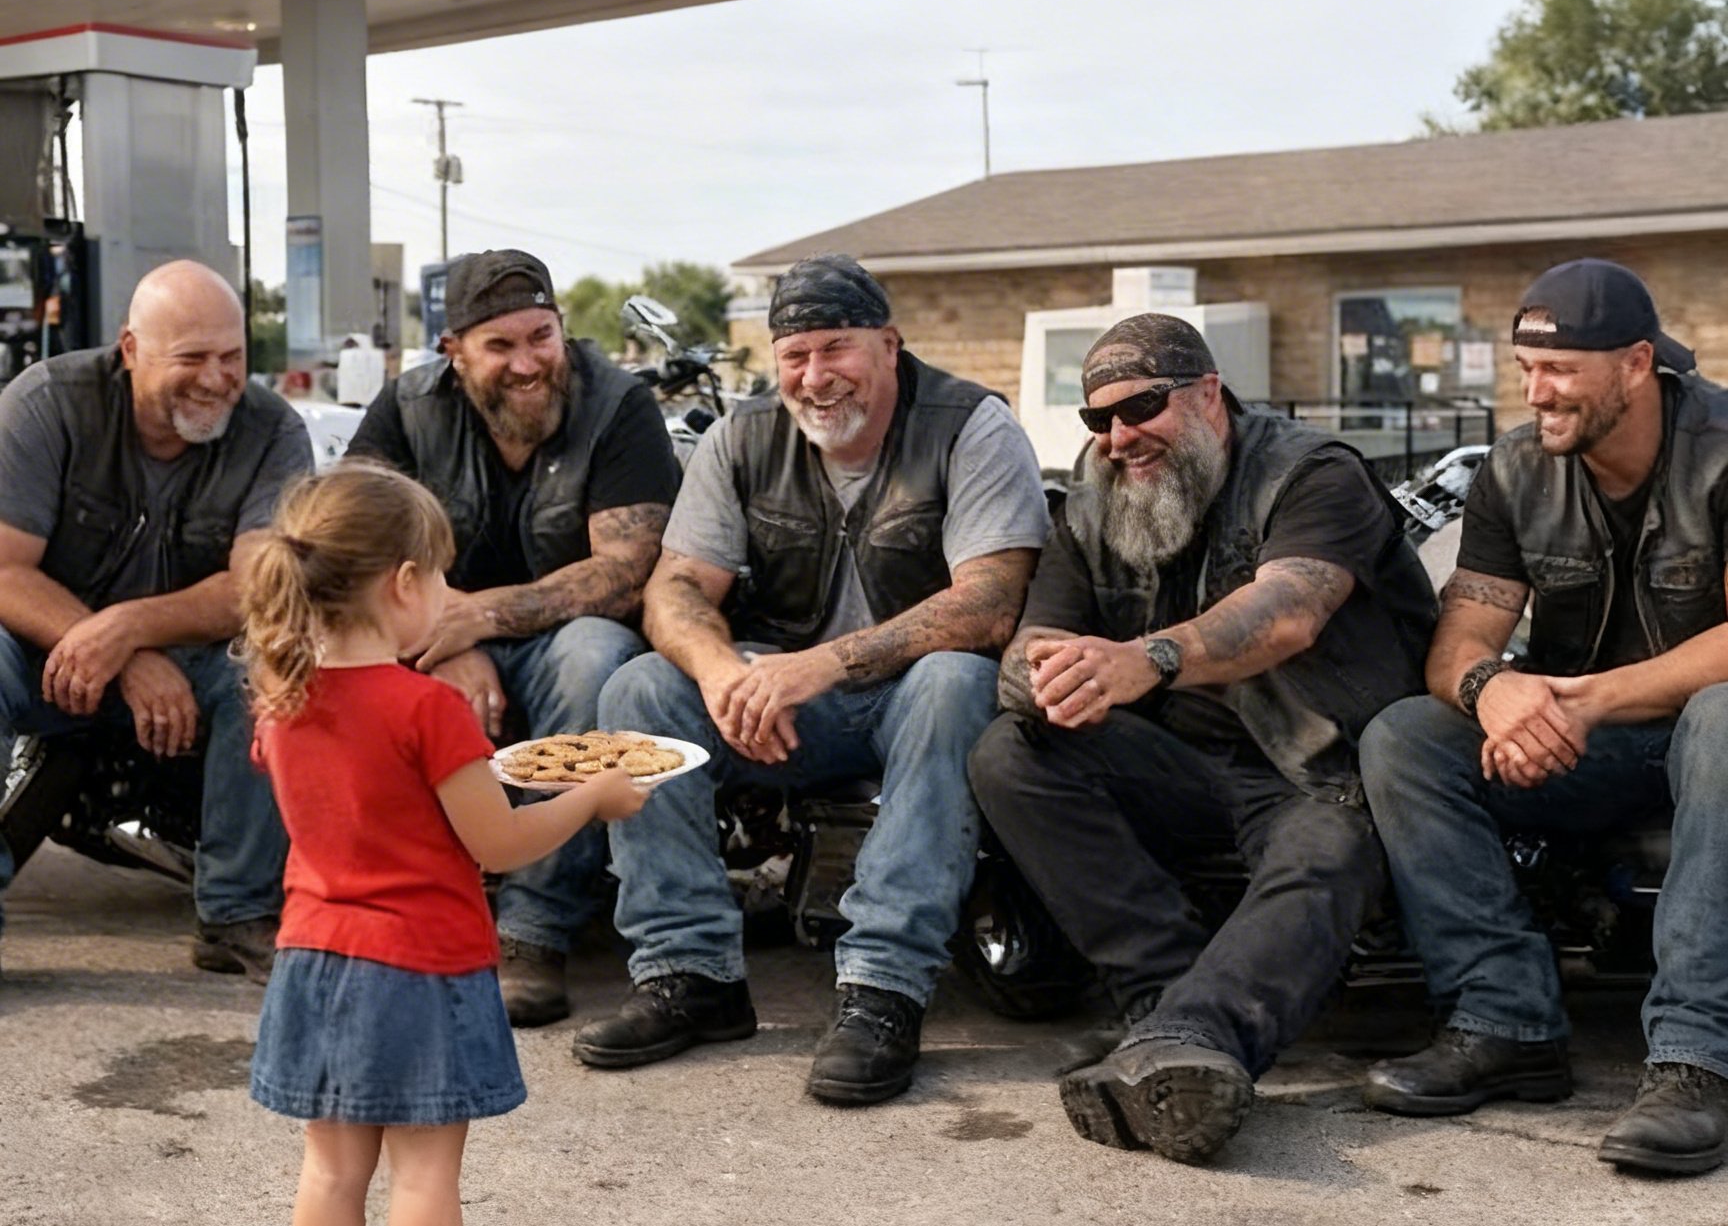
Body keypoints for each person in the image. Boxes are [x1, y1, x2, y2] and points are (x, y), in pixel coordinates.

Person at [574, 252, 1051, 1106]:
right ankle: (690, 974)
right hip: (781, 701)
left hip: (907, 697)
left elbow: (989, 603)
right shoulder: (741, 437)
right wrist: (722, 671)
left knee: (953, 679)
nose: (816, 376)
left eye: (837, 349)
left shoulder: (972, 425)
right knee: (640, 690)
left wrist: (823, 664)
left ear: (890, 346)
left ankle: (883, 987)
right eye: (796, 356)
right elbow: (677, 586)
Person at [968, 313, 1438, 1164]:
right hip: (1182, 765)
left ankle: (1199, 1037)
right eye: (1098, 419)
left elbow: (1288, 611)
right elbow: (1030, 647)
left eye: (1141, 407)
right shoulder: (1096, 491)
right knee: (1011, 753)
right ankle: (1163, 1003)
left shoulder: (1310, 472)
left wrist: (1149, 658)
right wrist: (1053, 674)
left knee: (1330, 844)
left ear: (1209, 393)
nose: (1118, 437)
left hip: (1314, 765)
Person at [241, 460, 648, 1226]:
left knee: (332, 1167)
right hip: (419, 966)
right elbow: (499, 841)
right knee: (425, 1174)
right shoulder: (428, 707)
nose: (454, 598)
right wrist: (593, 797)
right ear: (404, 585)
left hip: (311, 958)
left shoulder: (280, 701)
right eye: (445, 577)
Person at [1360, 260, 1728, 1177]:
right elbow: (1458, 646)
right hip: (1584, 739)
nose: (1536, 392)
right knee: (1404, 736)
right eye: (1525, 368)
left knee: (1726, 718)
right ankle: (1507, 1020)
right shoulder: (1517, 470)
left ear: (1637, 363)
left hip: (1697, 735)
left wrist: (1578, 698)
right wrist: (1499, 696)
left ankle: (1695, 1058)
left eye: (1560, 370)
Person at [348, 247, 680, 1026]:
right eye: (501, 345)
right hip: (429, 633)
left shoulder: (619, 404)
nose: (529, 363)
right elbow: (353, 546)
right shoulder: (406, 407)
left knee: (597, 654)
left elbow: (628, 569)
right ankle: (385, 913)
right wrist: (448, 636)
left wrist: (481, 617)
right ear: (453, 353)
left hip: (560, 640)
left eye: (543, 337)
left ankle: (535, 929)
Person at [0, 259, 311, 982]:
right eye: (192, 357)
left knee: (271, 665)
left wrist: (133, 629)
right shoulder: (47, 403)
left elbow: (257, 585)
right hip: (36, 651)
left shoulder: (272, 431)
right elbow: (6, 567)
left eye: (233, 356)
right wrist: (123, 650)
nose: (217, 378)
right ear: (130, 349)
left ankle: (237, 910)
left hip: (193, 662)